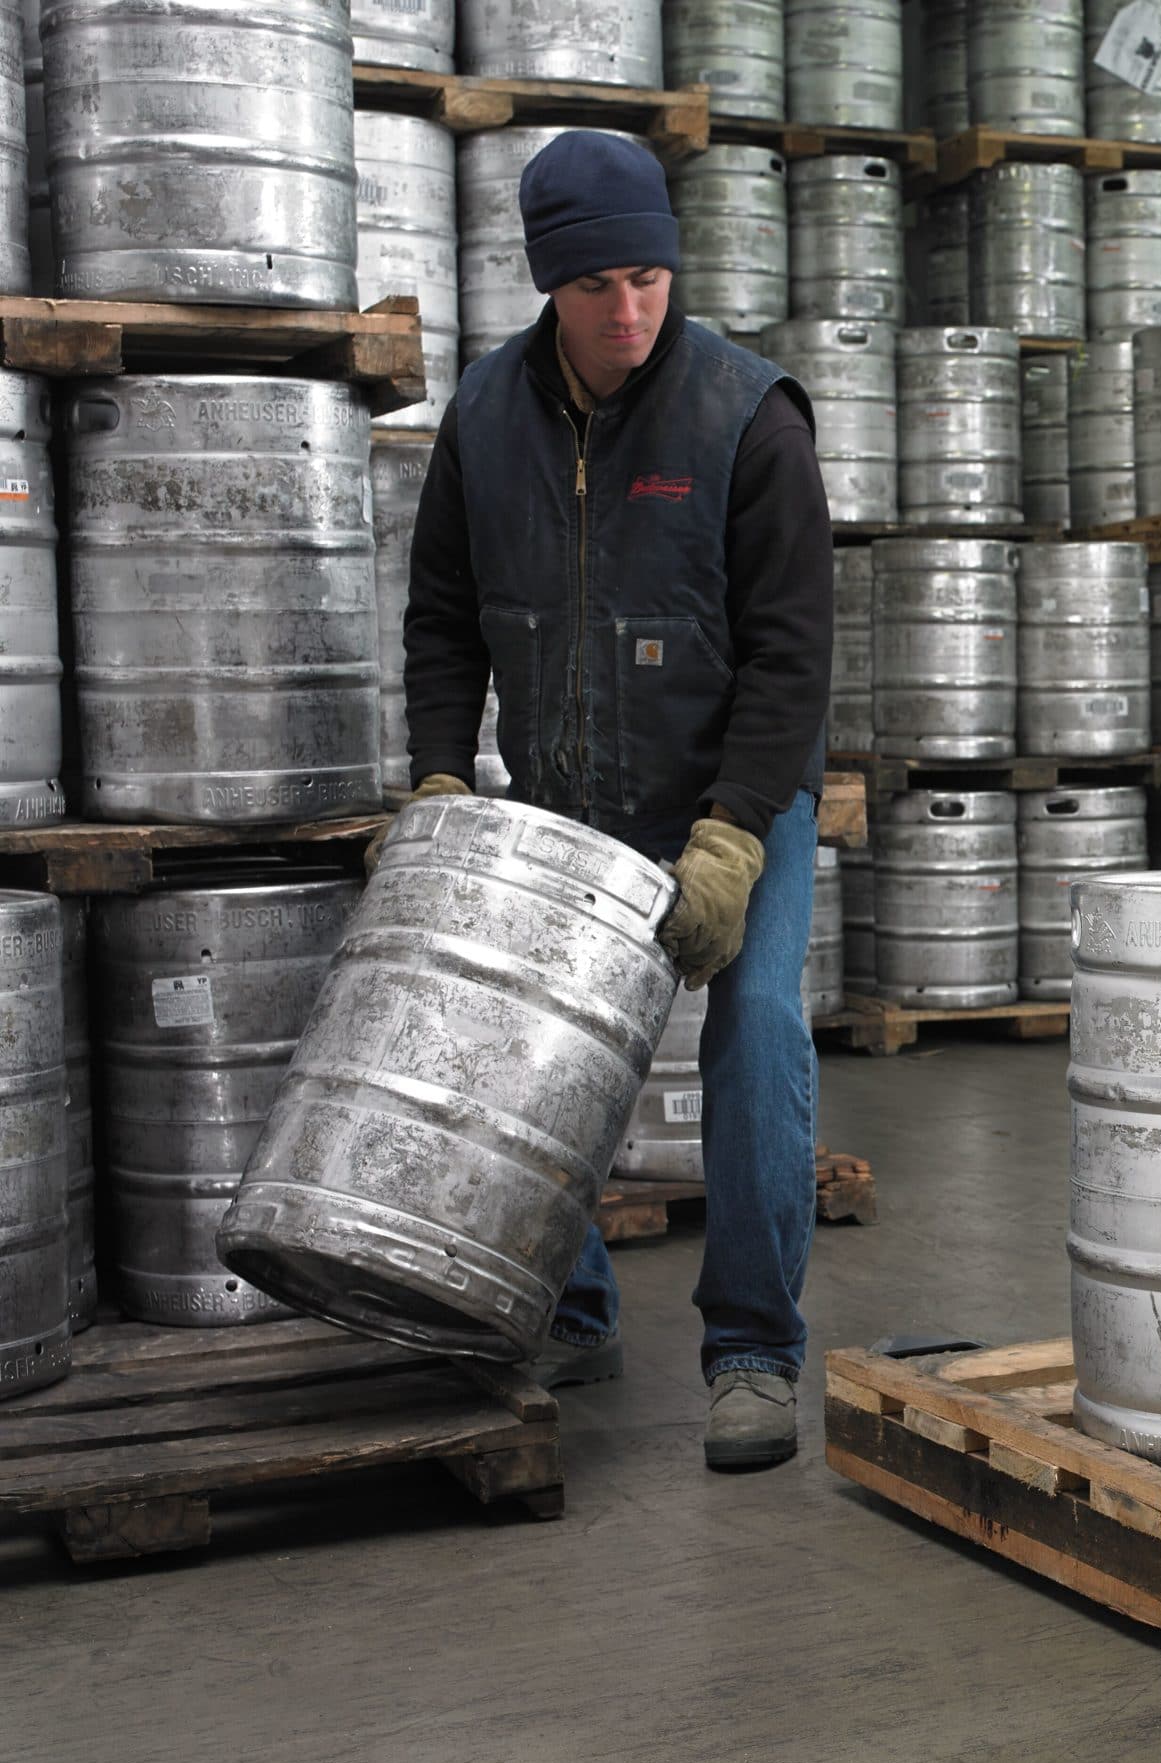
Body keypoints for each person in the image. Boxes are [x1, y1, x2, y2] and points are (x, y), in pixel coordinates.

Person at [395, 131, 834, 1471]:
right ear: (550, 284)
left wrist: (733, 835)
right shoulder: (484, 419)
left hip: (736, 794)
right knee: (532, 1050)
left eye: (648, 277)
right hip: (570, 796)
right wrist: (440, 776)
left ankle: (752, 1350)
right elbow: (443, 620)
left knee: (756, 1031)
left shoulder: (747, 415)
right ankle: (573, 1308)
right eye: (598, 288)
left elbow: (792, 656)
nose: (629, 310)